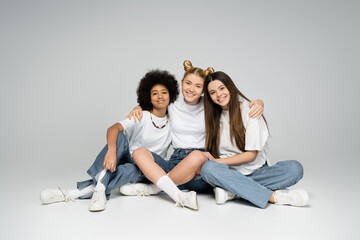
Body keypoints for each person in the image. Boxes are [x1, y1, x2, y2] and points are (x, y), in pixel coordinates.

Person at [119, 61, 265, 210]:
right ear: (181, 83)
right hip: (175, 163)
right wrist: (139, 107)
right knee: (139, 152)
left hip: (200, 167)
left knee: (197, 155)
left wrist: (258, 103)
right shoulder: (172, 102)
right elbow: (156, 102)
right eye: (188, 83)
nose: (191, 89)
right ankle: (177, 192)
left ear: (204, 90)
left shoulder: (210, 105)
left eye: (198, 86)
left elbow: (231, 103)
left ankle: (154, 189)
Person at [40, 69, 180, 212]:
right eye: (154, 93)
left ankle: (70, 193)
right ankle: (99, 189)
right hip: (131, 160)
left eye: (164, 92)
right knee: (120, 137)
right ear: (148, 98)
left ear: (171, 95)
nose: (160, 96)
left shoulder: (175, 121)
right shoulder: (141, 116)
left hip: (153, 169)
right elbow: (113, 128)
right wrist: (112, 151)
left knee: (128, 170)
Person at [194, 71, 309, 208]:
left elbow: (251, 155)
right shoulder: (212, 117)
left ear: (230, 87)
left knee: (294, 168)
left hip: (257, 171)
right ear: (209, 97)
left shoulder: (250, 110)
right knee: (208, 169)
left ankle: (233, 191)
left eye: (222, 88)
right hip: (228, 173)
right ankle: (273, 197)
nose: (219, 95)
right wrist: (215, 164)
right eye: (212, 92)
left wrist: (217, 161)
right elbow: (190, 96)